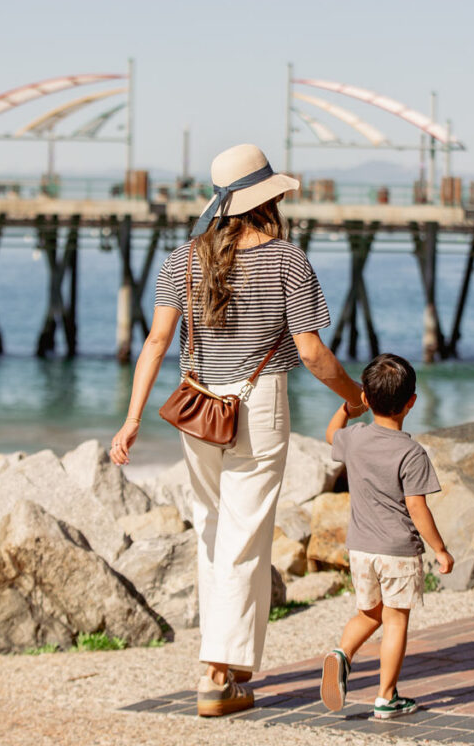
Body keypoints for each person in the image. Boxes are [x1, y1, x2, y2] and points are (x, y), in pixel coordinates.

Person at [109, 144, 366, 717]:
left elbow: (154, 344)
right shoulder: (287, 260)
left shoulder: (182, 260)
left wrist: (130, 421)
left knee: (213, 531)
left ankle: (231, 666)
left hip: (196, 408)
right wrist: (355, 396)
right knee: (244, 538)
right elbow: (313, 353)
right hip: (259, 405)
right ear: (268, 199)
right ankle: (215, 673)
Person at [321, 353, 454, 720]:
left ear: (366, 397)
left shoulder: (356, 439)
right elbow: (417, 508)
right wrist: (440, 549)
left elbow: (330, 434)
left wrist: (346, 410)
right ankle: (386, 697)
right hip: (397, 551)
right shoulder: (411, 453)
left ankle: (342, 654)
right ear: (411, 402)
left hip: (361, 549)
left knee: (369, 612)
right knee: (395, 621)